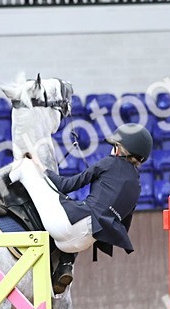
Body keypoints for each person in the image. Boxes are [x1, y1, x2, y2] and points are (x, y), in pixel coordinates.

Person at [10, 123, 151, 294]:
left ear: (120, 149)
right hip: (83, 242)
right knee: (76, 209)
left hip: (65, 228)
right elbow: (123, 225)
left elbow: (65, 185)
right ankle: (65, 264)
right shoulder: (137, 186)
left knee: (25, 167)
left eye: (115, 145)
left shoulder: (109, 162)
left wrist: (38, 163)